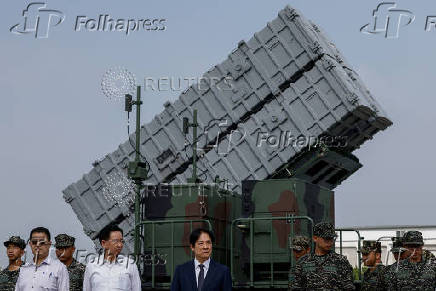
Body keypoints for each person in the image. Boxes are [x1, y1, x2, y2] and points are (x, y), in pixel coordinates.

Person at [290, 221, 355, 290]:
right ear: (315, 238)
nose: (330, 242)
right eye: (326, 238)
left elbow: (348, 287)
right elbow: (295, 287)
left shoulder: (341, 261)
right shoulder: (303, 262)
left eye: (332, 238)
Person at [83, 224, 140, 291]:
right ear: (104, 243)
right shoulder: (91, 266)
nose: (120, 245)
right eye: (115, 241)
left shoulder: (130, 265)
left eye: (121, 241)